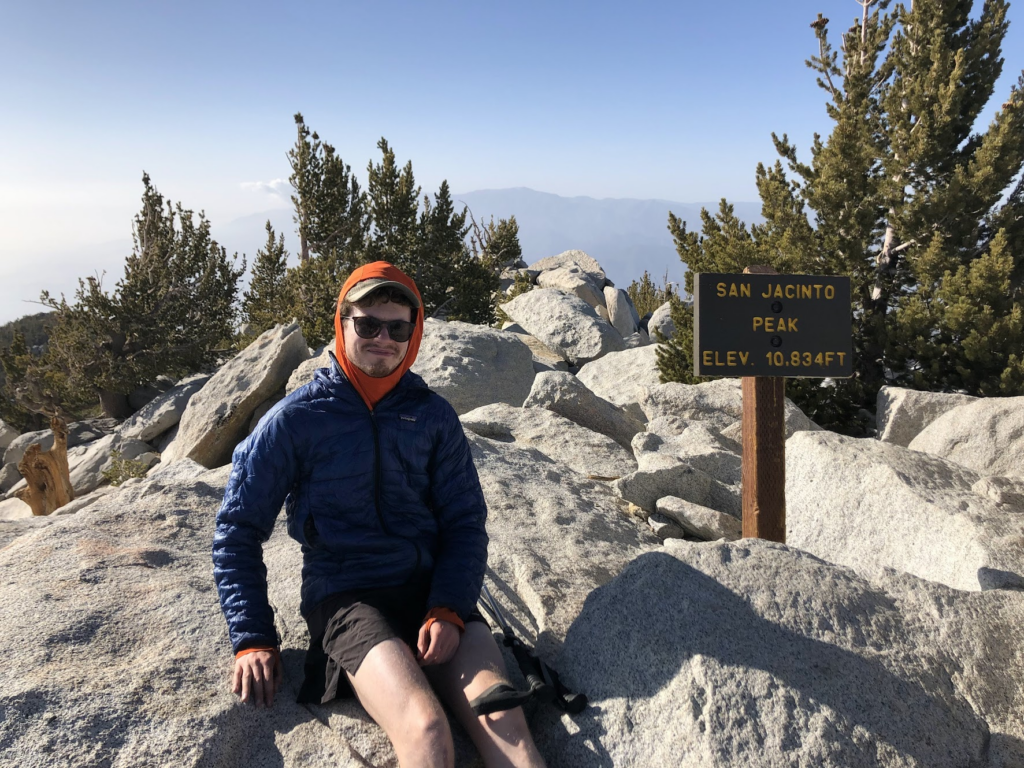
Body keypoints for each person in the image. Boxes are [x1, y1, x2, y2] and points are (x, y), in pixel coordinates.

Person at [212, 261, 546, 768]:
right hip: (347, 600)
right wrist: (253, 636)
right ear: (341, 324)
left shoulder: (432, 416)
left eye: (397, 327)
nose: (382, 338)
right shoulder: (296, 420)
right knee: (427, 729)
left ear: (414, 334)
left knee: (504, 721)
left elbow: (463, 523)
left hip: (434, 595)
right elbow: (236, 530)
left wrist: (449, 607)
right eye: (367, 323)